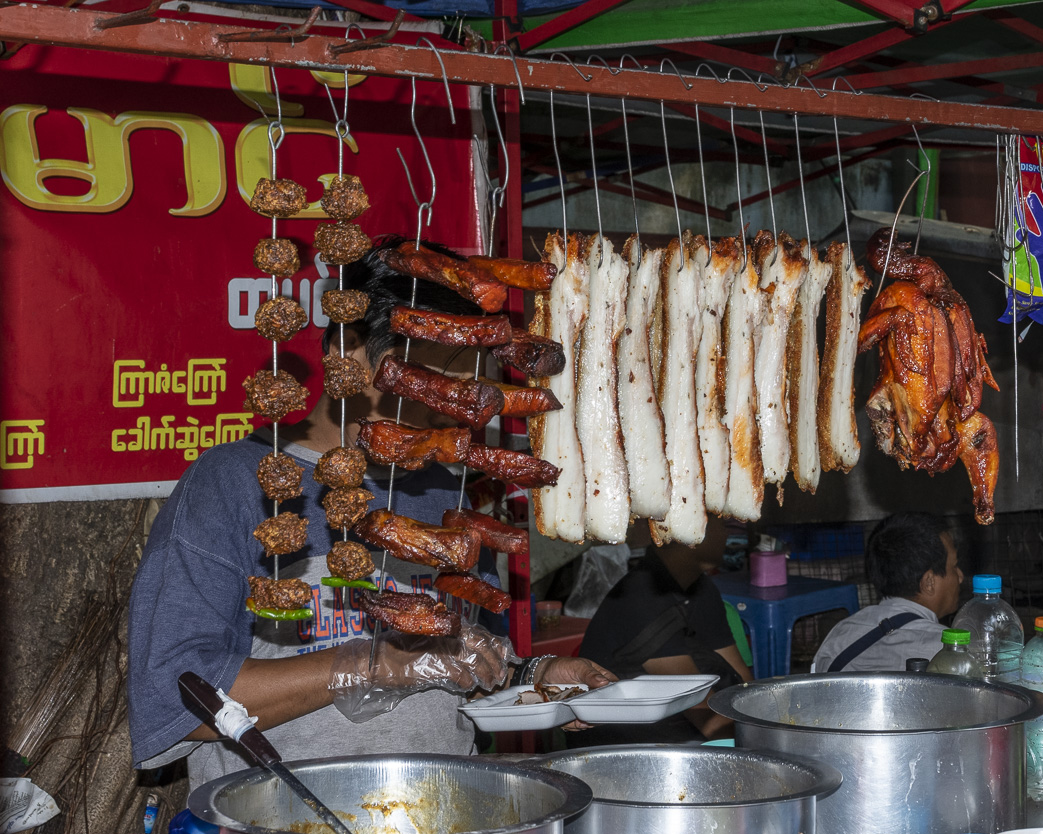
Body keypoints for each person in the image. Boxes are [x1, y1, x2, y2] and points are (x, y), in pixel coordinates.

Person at [127, 239, 611, 791]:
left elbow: (461, 666)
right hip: (287, 832)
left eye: (471, 390)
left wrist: (534, 678)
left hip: (443, 815)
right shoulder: (232, 484)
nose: (459, 409)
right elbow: (171, 695)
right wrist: (372, 664)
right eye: (439, 383)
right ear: (348, 353)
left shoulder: (446, 490)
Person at [567, 516, 752, 745]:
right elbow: (703, 712)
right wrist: (762, 743)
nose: (727, 533)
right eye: (720, 524)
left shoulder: (700, 588)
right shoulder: (642, 599)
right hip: (623, 750)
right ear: (689, 530)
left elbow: (742, 680)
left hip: (678, 731)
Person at [812, 512, 962, 673]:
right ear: (929, 582)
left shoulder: (840, 635)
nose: (960, 576)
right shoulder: (951, 652)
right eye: (954, 566)